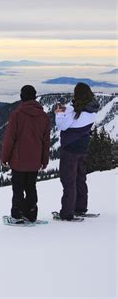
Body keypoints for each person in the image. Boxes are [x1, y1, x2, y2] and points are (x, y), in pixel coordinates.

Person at [1, 85, 51, 222]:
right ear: (34, 96)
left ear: (22, 97)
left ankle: (17, 215)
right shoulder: (44, 117)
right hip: (35, 161)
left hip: (18, 160)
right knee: (31, 187)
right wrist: (44, 160)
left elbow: (9, 139)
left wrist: (4, 157)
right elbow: (46, 142)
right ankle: (31, 213)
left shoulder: (16, 115)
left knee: (18, 189)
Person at [54, 82, 99, 220]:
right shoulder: (92, 109)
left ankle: (67, 212)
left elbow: (62, 125)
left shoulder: (75, 112)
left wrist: (59, 113)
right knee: (80, 178)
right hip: (82, 148)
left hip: (70, 149)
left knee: (68, 180)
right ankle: (80, 207)